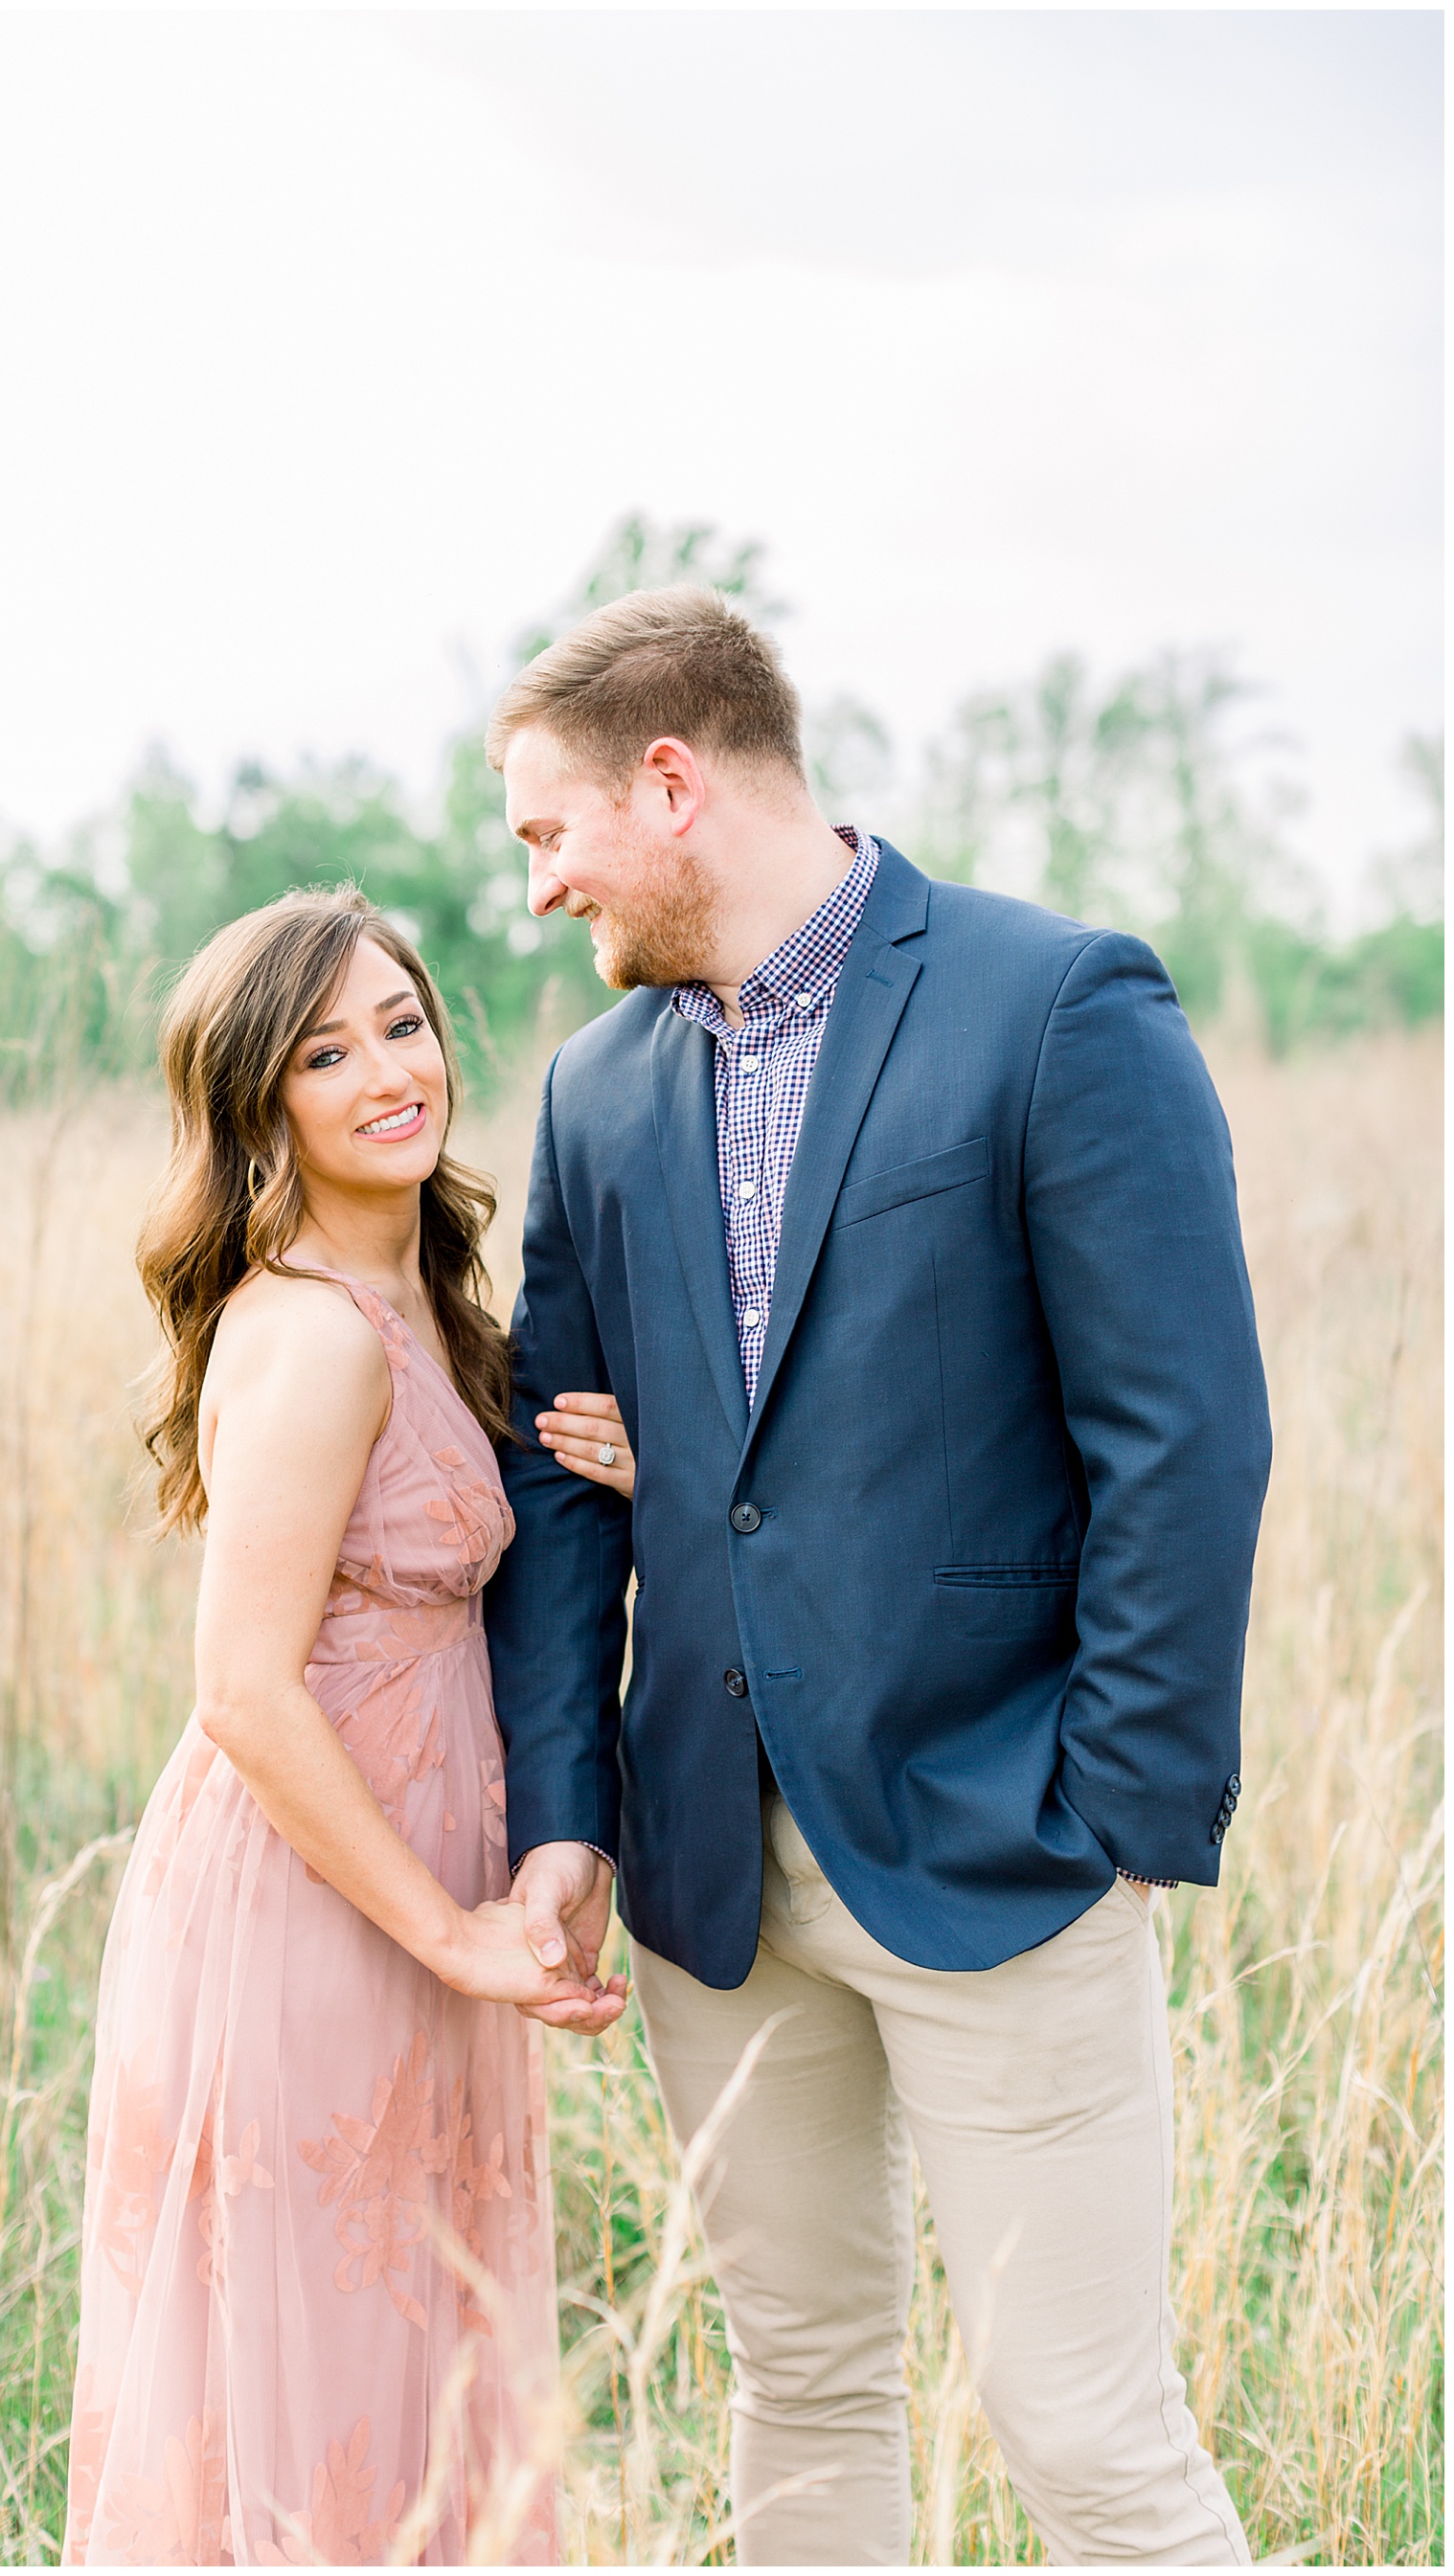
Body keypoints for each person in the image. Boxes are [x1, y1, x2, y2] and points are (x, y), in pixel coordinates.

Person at [482, 585, 1273, 2566]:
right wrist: (569, 1809)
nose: (535, 890)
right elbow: (571, 1486)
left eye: (544, 832)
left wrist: (1113, 1811)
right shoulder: (598, 1091)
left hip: (1001, 1839)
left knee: (1086, 2432)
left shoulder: (1053, 1001)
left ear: (668, 782)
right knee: (800, 2386)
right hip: (705, 1877)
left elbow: (1184, 1440)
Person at [63, 889, 625, 2568]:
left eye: (403, 1022)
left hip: (408, 1887)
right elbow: (239, 1683)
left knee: (413, 2370)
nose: (390, 1070)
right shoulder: (311, 1332)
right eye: (327, 1050)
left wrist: (631, 1481)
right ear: (261, 1105)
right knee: (326, 2386)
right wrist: (451, 1930)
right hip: (320, 1911)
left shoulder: (429, 1314)